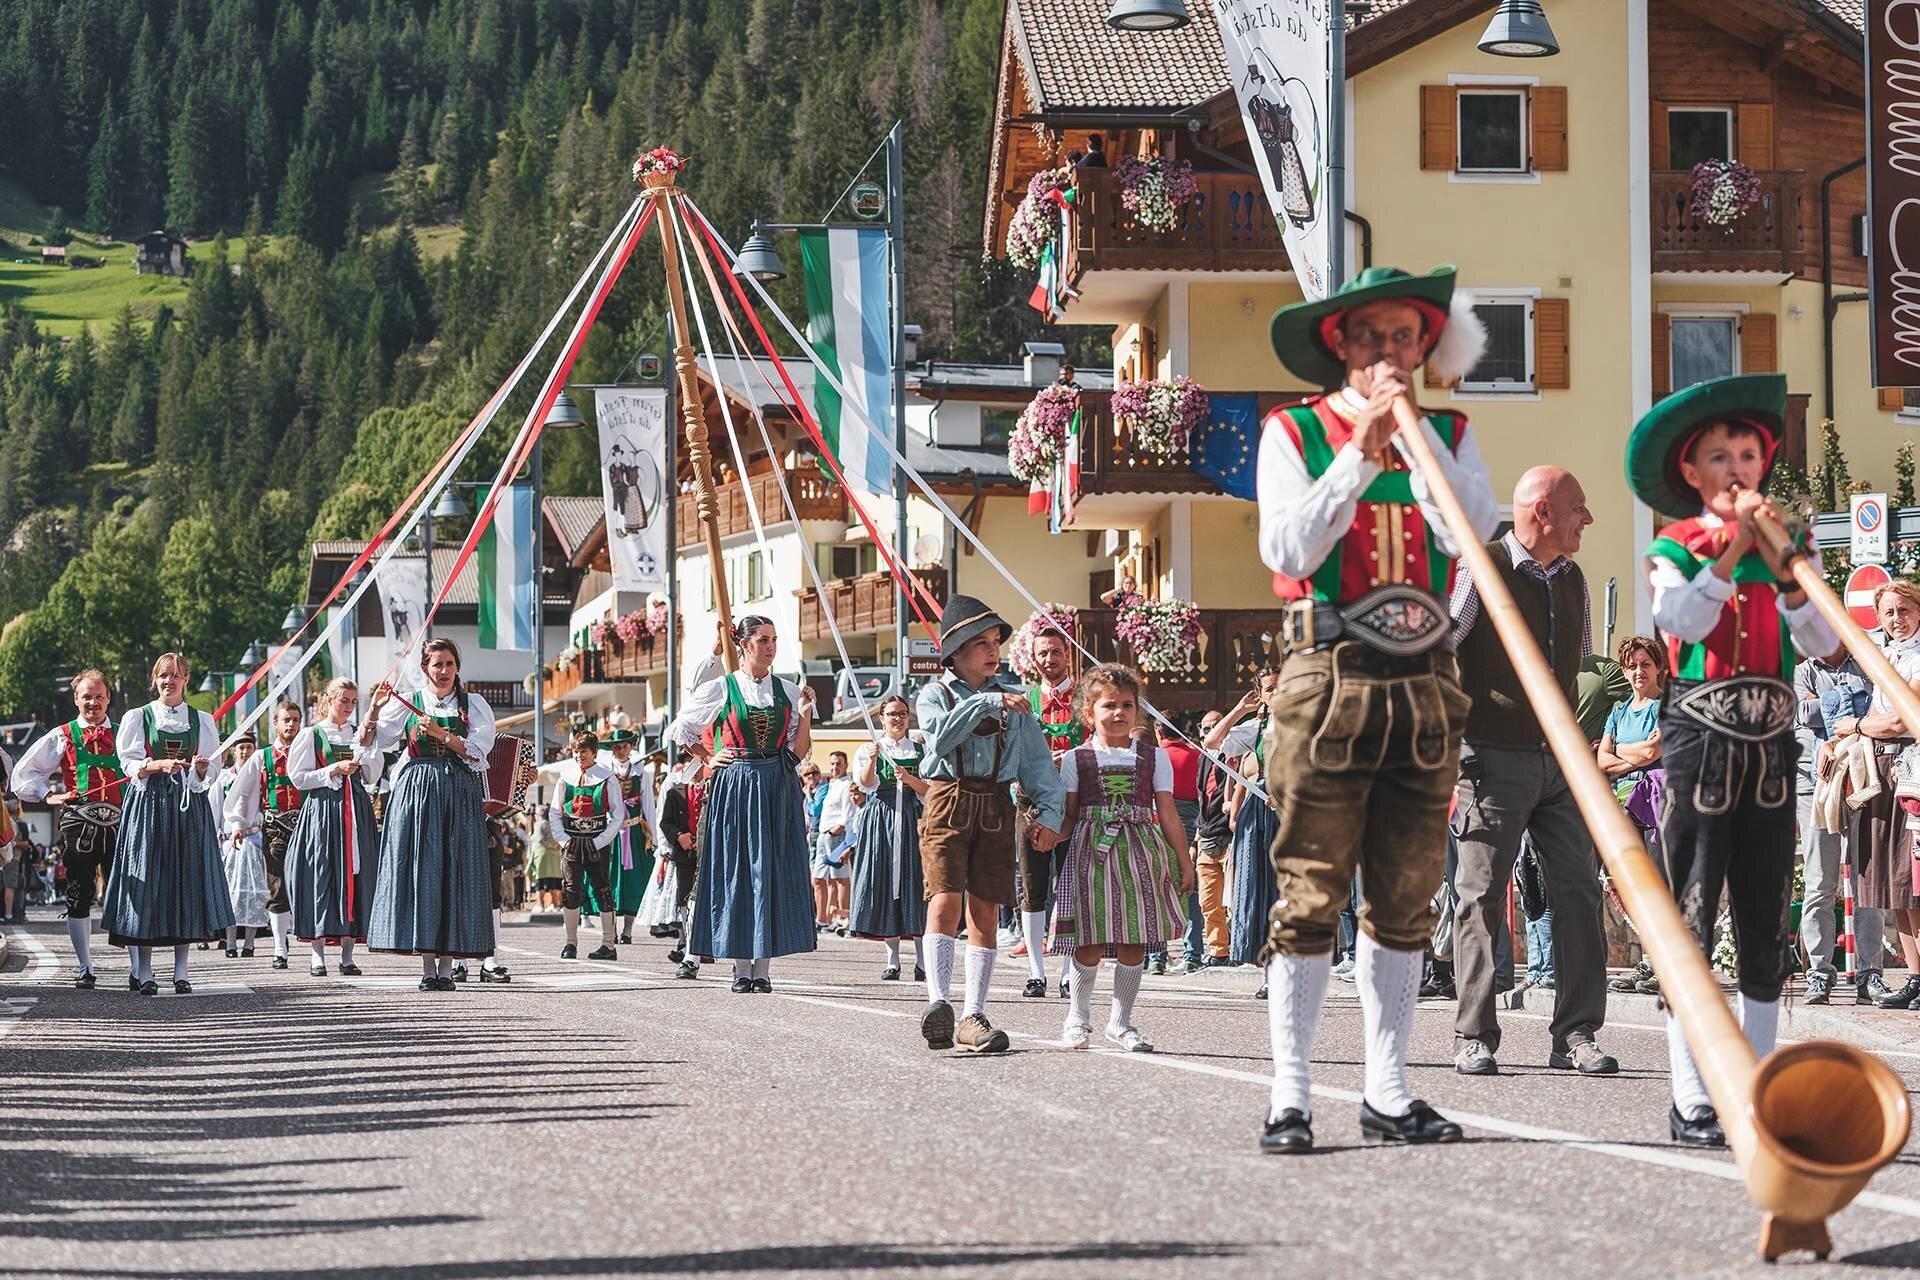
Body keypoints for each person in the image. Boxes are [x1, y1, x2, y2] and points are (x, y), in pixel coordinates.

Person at [1256, 265, 1500, 1152]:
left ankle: (1389, 1090)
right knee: (1311, 888)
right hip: (1329, 671)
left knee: (1407, 891)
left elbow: (1472, 537)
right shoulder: (1294, 432)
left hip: (1426, 677)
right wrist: (1360, 451)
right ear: (1341, 349)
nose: (1389, 353)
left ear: (1424, 349)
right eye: (1372, 338)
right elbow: (1285, 545)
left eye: (1405, 338)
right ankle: (1290, 1094)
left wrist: (1421, 454)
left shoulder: (1454, 435)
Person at [1629, 372, 1838, 1147]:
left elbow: (1822, 645)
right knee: (1691, 914)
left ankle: (1755, 1095)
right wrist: (1733, 552)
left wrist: (1789, 578)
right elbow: (1678, 617)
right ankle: (1691, 1099)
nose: (1740, 467)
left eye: (1749, 453)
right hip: (1699, 743)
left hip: (1772, 746)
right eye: (1721, 456)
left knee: (1761, 919)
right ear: (1692, 473)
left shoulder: (1795, 548)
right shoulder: (1674, 544)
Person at [1448, 465, 1618, 1079]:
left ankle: (1576, 1033)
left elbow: (1577, 668)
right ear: (1542, 511)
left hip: (1561, 759)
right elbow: (1442, 652)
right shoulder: (1480, 567)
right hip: (1492, 756)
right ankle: (1475, 1034)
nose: (1588, 519)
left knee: (1578, 890)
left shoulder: (1574, 580)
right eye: (1578, 507)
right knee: (1482, 896)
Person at [915, 594, 1066, 1053]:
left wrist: (1050, 815)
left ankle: (971, 1014)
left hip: (998, 807)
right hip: (948, 801)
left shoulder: (1015, 706)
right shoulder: (935, 694)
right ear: (955, 654)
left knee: (985, 911)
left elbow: (1039, 768)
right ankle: (938, 1003)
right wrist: (985, 703)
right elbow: (939, 741)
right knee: (944, 902)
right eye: (979, 643)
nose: (991, 650)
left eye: (995, 641)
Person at [668, 615, 817, 993]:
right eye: (763, 640)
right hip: (735, 782)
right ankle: (739, 967)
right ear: (745, 644)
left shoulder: (787, 688)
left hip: (777, 783)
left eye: (774, 639)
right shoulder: (723, 686)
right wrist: (707, 756)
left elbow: (797, 752)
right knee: (736, 867)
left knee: (770, 868)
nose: (770, 647)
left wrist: (805, 714)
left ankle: (763, 968)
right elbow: (681, 728)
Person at [1052, 664, 1195, 1051]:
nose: (1119, 713)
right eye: (1109, 705)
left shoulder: (1154, 757)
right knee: (1090, 939)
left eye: (1127, 705)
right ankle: (1077, 1018)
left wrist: (1184, 860)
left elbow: (1166, 812)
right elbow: (1069, 814)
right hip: (1090, 850)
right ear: (1089, 713)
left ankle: (1121, 1021)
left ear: (1137, 711)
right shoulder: (1075, 759)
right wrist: (1048, 837)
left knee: (1134, 939)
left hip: (1140, 851)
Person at [368, 637, 498, 991]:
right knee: (423, 871)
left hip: (458, 790)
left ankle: (447, 966)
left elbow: (480, 750)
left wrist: (445, 736)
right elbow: (373, 742)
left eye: (449, 664)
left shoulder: (473, 704)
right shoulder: (411, 702)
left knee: (454, 871)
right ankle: (428, 967)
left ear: (458, 668)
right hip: (418, 791)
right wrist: (375, 709)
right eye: (436, 664)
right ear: (424, 668)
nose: (443, 671)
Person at [102, 653, 234, 995]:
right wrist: (154, 764)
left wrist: (201, 770)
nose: (169, 681)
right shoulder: (139, 716)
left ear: (185, 679)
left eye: (175, 675)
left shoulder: (201, 719)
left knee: (185, 881)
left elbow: (212, 770)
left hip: (188, 807)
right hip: (148, 804)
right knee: (148, 880)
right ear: (155, 679)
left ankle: (181, 971)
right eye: (163, 675)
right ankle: (144, 971)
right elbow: (128, 763)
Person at [10, 669, 125, 989]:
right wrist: (50, 795)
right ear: (76, 699)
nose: (93, 702)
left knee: (128, 892)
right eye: (87, 696)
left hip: (121, 823)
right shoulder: (63, 734)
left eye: (99, 696)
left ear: (108, 698)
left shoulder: (123, 733)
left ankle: (137, 968)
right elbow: (24, 773)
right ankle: (86, 966)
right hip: (80, 826)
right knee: (79, 894)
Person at [1840, 582, 1920, 1011]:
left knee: (1916, 880)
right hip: (1884, 771)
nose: (1896, 619)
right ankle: (1914, 975)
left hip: (1914, 769)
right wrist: (1868, 723)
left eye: (1904, 609)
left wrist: (1855, 727)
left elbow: (1897, 720)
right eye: (1888, 612)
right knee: (1896, 883)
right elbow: (1879, 718)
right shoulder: (1887, 656)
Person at [1793, 644, 1885, 1004]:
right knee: (1819, 882)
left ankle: (1869, 974)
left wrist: (1828, 703)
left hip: (1862, 779)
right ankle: (1819, 973)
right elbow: (1801, 712)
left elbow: (1875, 708)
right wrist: (1851, 699)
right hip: (1814, 785)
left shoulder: (1866, 662)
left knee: (1867, 881)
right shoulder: (1801, 672)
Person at [283, 677, 383, 978]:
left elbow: (372, 774)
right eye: (344, 701)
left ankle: (348, 955)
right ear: (328, 700)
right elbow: (297, 777)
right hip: (324, 810)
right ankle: (317, 955)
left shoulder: (358, 734)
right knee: (321, 874)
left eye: (353, 702)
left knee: (356, 874)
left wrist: (368, 750)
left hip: (356, 809)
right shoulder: (312, 734)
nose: (349, 707)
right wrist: (332, 770)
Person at [1018, 626, 1081, 998]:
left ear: (1066, 655)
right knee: (1032, 885)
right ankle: (1036, 972)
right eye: (1042, 653)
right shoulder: (1025, 700)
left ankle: (1069, 972)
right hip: (1032, 802)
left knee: (1071, 888)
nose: (1049, 660)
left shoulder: (1085, 698)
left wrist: (1068, 757)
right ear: (1033, 658)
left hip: (1075, 801)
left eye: (1055, 652)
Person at [849, 696, 930, 980]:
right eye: (892, 714)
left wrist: (909, 780)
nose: (898, 719)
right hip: (881, 818)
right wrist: (872, 761)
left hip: (912, 816)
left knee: (916, 883)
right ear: (882, 717)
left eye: (903, 714)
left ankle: (922, 961)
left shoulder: (920, 749)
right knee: (885, 882)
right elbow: (866, 784)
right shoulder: (871, 748)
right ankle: (892, 959)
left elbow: (929, 791)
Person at [224, 699, 308, 969]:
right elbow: (241, 791)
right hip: (275, 828)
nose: (292, 725)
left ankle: (311, 943)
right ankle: (279, 948)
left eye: (296, 719)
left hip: (308, 826)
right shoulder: (262, 757)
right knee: (278, 887)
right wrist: (237, 823)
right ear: (275, 723)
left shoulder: (310, 751)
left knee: (309, 885)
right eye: (287, 720)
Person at [1208, 676, 1279, 993]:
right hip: (1261, 810)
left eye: (1284, 685)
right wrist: (1239, 709)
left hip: (1295, 809)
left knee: (1289, 892)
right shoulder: (1257, 728)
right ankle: (1269, 974)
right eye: (1271, 688)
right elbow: (1211, 743)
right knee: (1259, 889)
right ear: (1262, 696)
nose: (1279, 692)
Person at [549, 729, 628, 961]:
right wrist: (563, 839)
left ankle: (608, 944)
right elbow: (554, 812)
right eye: (576, 751)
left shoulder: (607, 777)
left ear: (594, 752)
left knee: (603, 890)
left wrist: (601, 841)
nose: (578, 756)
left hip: (597, 841)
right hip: (571, 841)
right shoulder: (566, 777)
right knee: (571, 891)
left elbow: (618, 814)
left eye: (583, 751)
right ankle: (570, 943)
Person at [596, 721, 658, 945]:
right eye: (616, 747)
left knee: (633, 881)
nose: (620, 750)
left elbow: (649, 806)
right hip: (610, 835)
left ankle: (628, 930)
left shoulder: (641, 772)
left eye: (624, 746)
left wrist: (655, 838)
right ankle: (610, 929)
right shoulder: (604, 773)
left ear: (631, 747)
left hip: (634, 833)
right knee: (608, 879)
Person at [1149, 718, 1203, 975]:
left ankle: (1157, 956)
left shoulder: (1156, 756)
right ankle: (1193, 953)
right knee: (1190, 887)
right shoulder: (1197, 755)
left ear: (1159, 731)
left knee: (1156, 886)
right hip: (1192, 817)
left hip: (1160, 816)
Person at [656, 758, 710, 978]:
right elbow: (665, 821)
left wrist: (703, 839)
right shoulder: (676, 791)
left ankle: (712, 947)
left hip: (709, 852)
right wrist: (679, 836)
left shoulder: (715, 787)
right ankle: (688, 947)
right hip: (685, 853)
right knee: (686, 899)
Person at [217, 730, 269, 958]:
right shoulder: (225, 778)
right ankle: (230, 943)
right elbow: (216, 809)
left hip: (254, 839)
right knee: (230, 893)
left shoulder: (260, 777)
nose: (245, 751)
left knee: (254, 893)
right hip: (230, 842)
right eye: (241, 747)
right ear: (233, 751)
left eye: (249, 747)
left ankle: (249, 943)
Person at [1189, 709, 1233, 971]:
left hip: (1229, 836)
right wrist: (1195, 841)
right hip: (1205, 836)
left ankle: (1238, 948)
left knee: (1231, 902)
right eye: (1206, 728)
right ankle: (1218, 951)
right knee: (1208, 902)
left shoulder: (1235, 754)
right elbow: (1201, 802)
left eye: (1216, 726)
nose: (1210, 732)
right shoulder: (1203, 758)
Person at [812, 751, 857, 931]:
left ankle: (841, 918)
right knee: (818, 878)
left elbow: (849, 813)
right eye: (832, 764)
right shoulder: (831, 784)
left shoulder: (847, 784)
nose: (834, 767)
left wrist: (838, 828)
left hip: (836, 835)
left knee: (840, 878)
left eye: (838, 764)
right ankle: (822, 918)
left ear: (845, 765)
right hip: (822, 834)